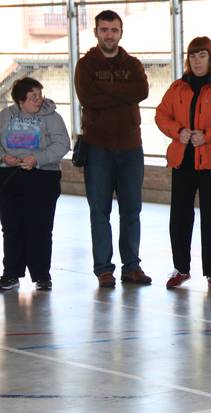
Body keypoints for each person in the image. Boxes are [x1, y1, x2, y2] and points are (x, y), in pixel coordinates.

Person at [155, 36, 211, 291]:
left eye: (202, 55)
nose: (197, 61)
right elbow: (161, 115)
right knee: (179, 217)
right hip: (183, 163)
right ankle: (181, 268)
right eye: (192, 56)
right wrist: (177, 131)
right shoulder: (177, 88)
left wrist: (208, 136)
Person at [74, 10, 150, 288]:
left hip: (131, 148)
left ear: (121, 32)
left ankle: (132, 267)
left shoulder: (133, 63)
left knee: (132, 210)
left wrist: (105, 89)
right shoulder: (85, 65)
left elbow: (141, 91)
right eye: (104, 29)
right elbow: (87, 97)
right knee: (99, 211)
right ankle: (104, 269)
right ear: (96, 32)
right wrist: (121, 92)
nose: (109, 34)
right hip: (97, 149)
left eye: (114, 30)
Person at [0, 78, 70, 291]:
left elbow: (63, 144)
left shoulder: (52, 117)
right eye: (33, 97)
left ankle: (42, 275)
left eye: (40, 95)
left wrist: (37, 159)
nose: (39, 100)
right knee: (12, 227)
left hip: (42, 176)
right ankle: (11, 274)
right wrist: (4, 158)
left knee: (39, 227)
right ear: (20, 101)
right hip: (10, 175)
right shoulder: (5, 116)